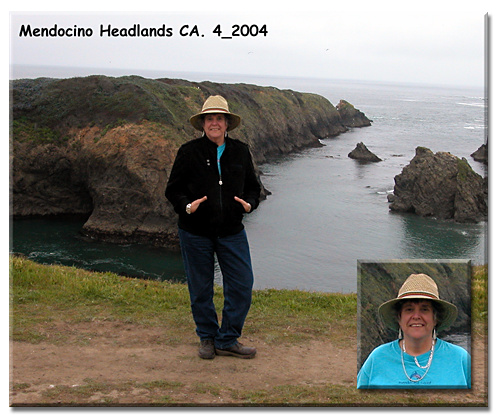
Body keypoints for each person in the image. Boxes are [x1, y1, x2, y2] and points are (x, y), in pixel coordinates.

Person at [165, 95, 261, 360]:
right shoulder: (188, 151)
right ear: (203, 124)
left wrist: (250, 204)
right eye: (210, 119)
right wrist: (187, 206)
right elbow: (173, 189)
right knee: (200, 288)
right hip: (195, 232)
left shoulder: (241, 151)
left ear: (227, 123)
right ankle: (207, 337)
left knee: (242, 284)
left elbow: (254, 187)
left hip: (231, 231)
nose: (215, 123)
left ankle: (227, 339)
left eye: (219, 118)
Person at [357, 273, 471, 389]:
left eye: (424, 309)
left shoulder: (460, 358)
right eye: (409, 309)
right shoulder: (377, 358)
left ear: (436, 318)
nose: (416, 316)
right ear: (399, 318)